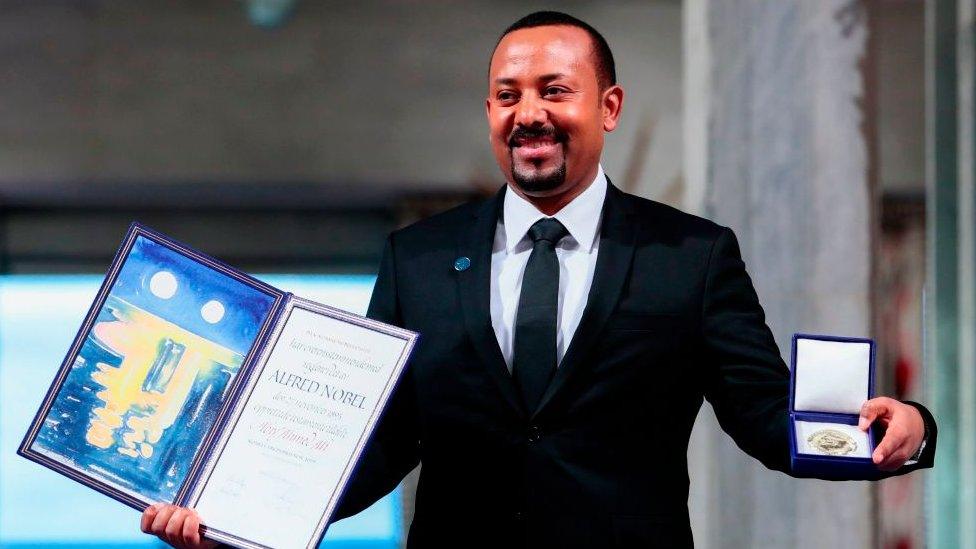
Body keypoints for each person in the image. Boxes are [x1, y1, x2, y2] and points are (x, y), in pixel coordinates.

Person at [143, 11, 936, 548]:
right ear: (488, 110)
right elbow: (377, 444)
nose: (530, 113)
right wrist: (231, 515)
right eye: (507, 95)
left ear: (609, 105)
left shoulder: (691, 256)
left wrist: (902, 425)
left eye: (555, 91)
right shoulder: (416, 257)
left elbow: (766, 416)